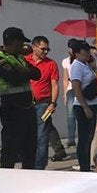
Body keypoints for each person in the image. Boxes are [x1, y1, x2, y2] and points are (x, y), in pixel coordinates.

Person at [0, 27, 42, 170]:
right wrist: (26, 72)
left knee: (30, 149)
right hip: (11, 109)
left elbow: (37, 74)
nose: (23, 46)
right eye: (21, 42)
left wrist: (23, 71)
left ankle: (29, 179)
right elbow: (14, 78)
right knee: (10, 151)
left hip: (28, 108)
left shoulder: (19, 58)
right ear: (13, 42)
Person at [26, 35, 66, 168]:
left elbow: (54, 84)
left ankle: (39, 167)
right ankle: (29, 164)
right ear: (34, 47)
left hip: (43, 104)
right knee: (28, 137)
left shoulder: (51, 64)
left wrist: (53, 103)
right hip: (26, 104)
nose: (45, 52)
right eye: (43, 49)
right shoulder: (25, 61)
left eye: (47, 49)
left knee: (42, 138)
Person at [68, 40, 97, 172]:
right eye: (84, 51)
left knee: (90, 137)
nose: (87, 53)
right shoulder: (76, 66)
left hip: (93, 103)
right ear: (76, 53)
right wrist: (85, 107)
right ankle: (84, 166)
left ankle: (86, 164)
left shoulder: (86, 64)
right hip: (83, 106)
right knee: (84, 138)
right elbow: (76, 87)